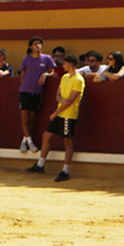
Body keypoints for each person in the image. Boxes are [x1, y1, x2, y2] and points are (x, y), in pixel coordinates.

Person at [26, 53, 85, 182]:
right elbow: (58, 95)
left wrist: (56, 111)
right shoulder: (65, 77)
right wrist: (62, 102)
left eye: (64, 63)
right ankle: (40, 164)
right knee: (46, 136)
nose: (63, 65)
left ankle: (65, 170)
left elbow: (69, 101)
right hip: (60, 113)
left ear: (69, 64)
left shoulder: (78, 80)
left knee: (67, 142)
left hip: (68, 115)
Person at [18, 36, 56, 153]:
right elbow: (22, 75)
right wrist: (23, 87)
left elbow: (52, 71)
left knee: (32, 119)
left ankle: (25, 140)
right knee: (24, 118)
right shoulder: (26, 59)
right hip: (25, 91)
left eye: (39, 43)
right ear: (31, 47)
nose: (37, 45)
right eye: (35, 44)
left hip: (37, 92)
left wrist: (46, 75)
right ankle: (30, 141)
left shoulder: (47, 58)